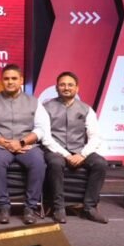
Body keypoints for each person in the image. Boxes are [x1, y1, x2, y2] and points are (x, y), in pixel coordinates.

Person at [0, 64, 49, 225]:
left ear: (21, 80)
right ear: (1, 81)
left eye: (14, 78)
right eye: (6, 79)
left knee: (39, 163)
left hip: (27, 145)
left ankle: (30, 208)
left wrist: (22, 142)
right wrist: (7, 143)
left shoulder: (34, 102)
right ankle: (3, 207)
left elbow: (41, 128)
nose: (10, 82)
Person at [42, 71, 109, 223]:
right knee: (55, 163)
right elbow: (46, 138)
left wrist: (83, 154)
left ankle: (90, 207)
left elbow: (95, 136)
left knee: (100, 163)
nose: (66, 88)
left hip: (80, 150)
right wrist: (66, 155)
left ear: (77, 88)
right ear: (56, 88)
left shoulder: (86, 109)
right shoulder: (45, 108)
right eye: (62, 85)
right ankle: (58, 207)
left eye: (70, 85)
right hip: (55, 150)